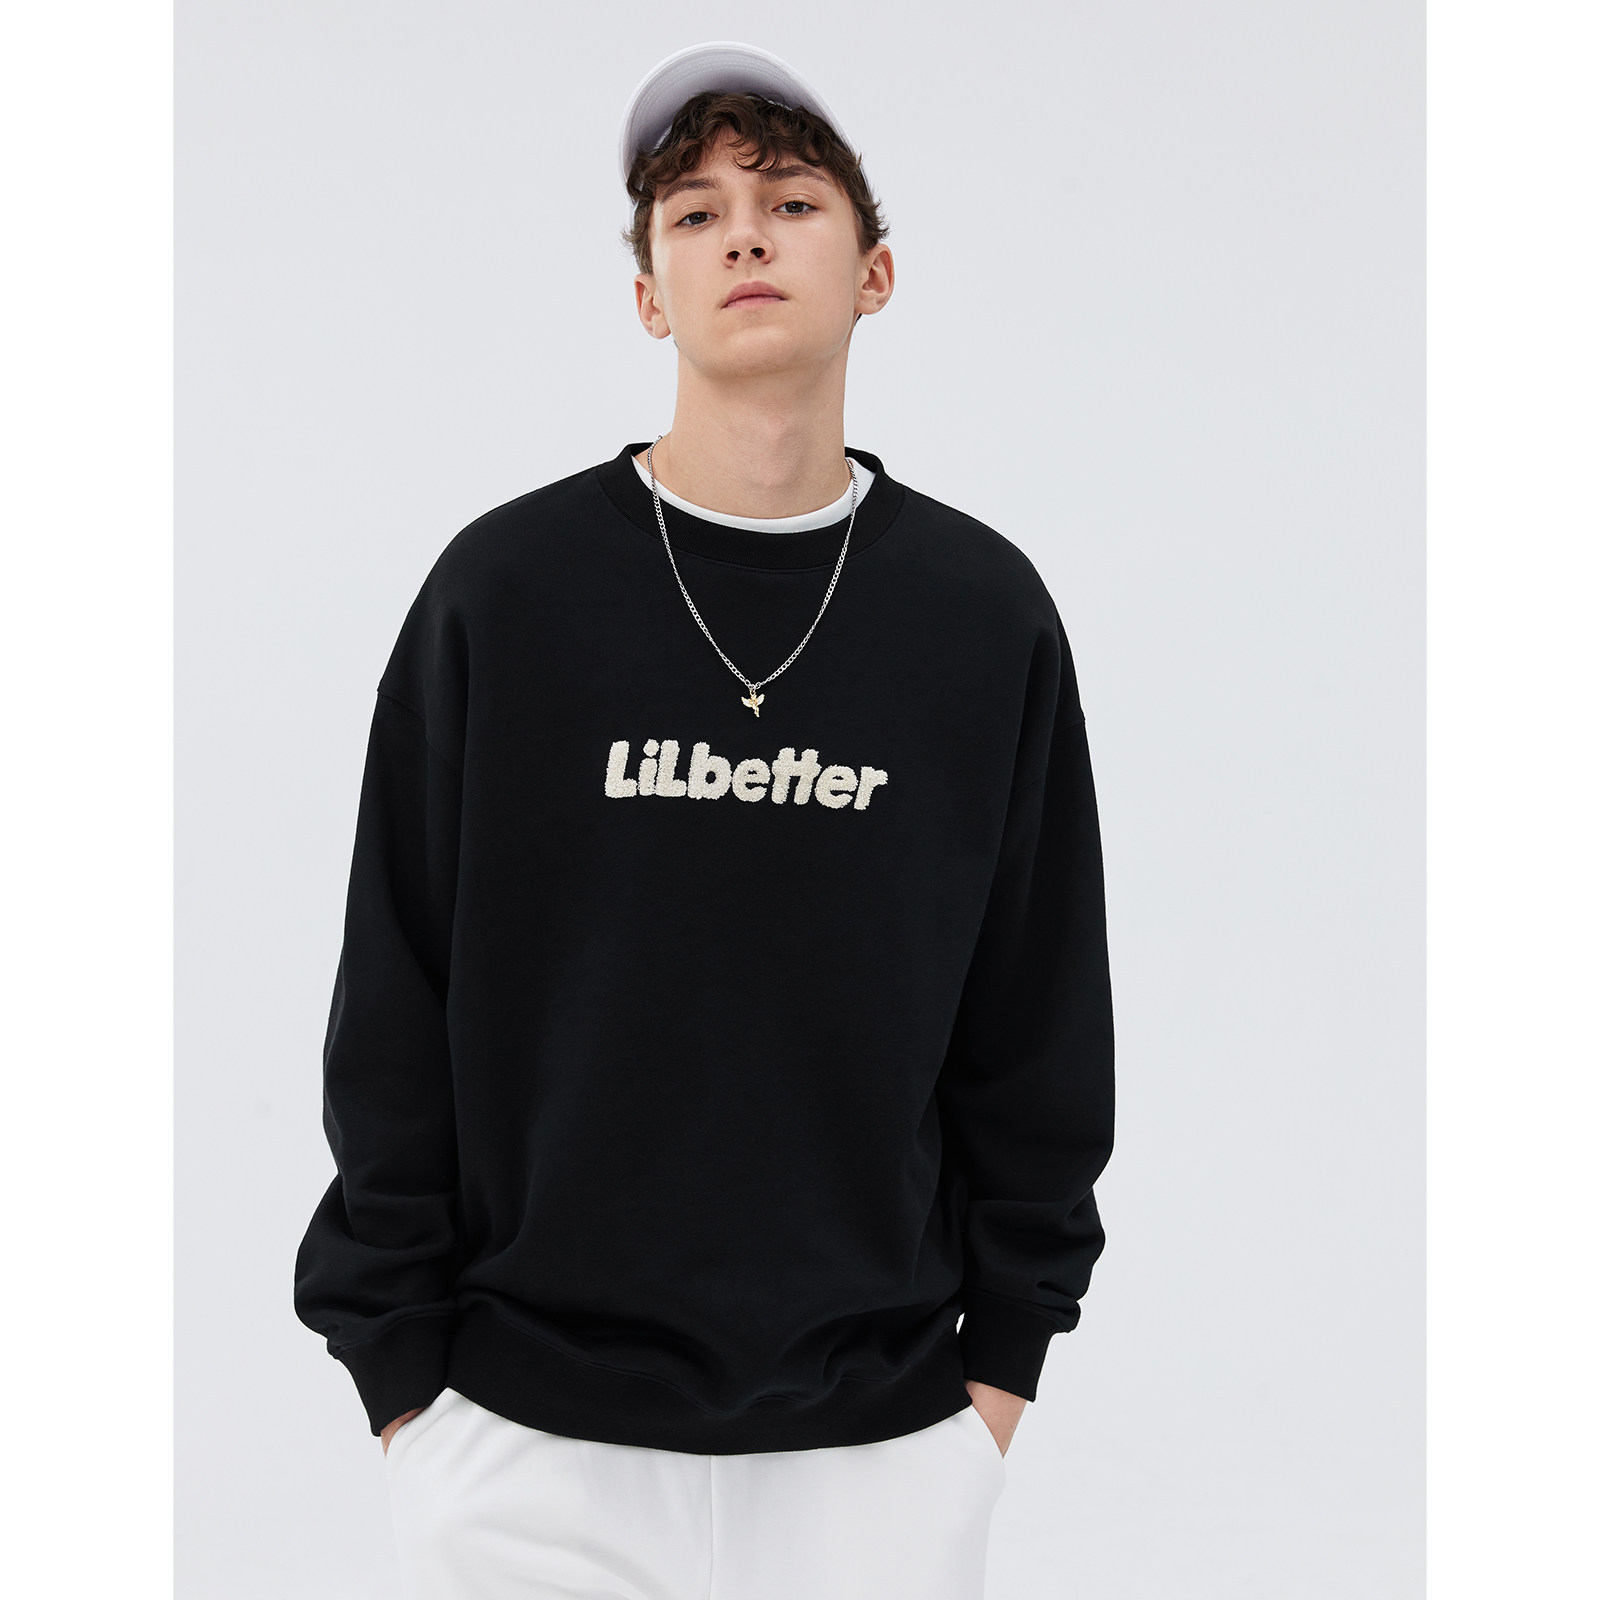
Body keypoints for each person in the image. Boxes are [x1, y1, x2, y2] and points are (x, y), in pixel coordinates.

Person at [293, 38, 1115, 1600]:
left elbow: (1038, 1014)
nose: (744, 233)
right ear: (648, 298)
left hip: (880, 1451)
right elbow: (394, 992)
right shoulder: (505, 595)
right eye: (694, 212)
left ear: (874, 274)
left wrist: (995, 1378)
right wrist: (406, 1387)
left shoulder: (979, 615)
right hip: (523, 1446)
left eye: (791, 201)